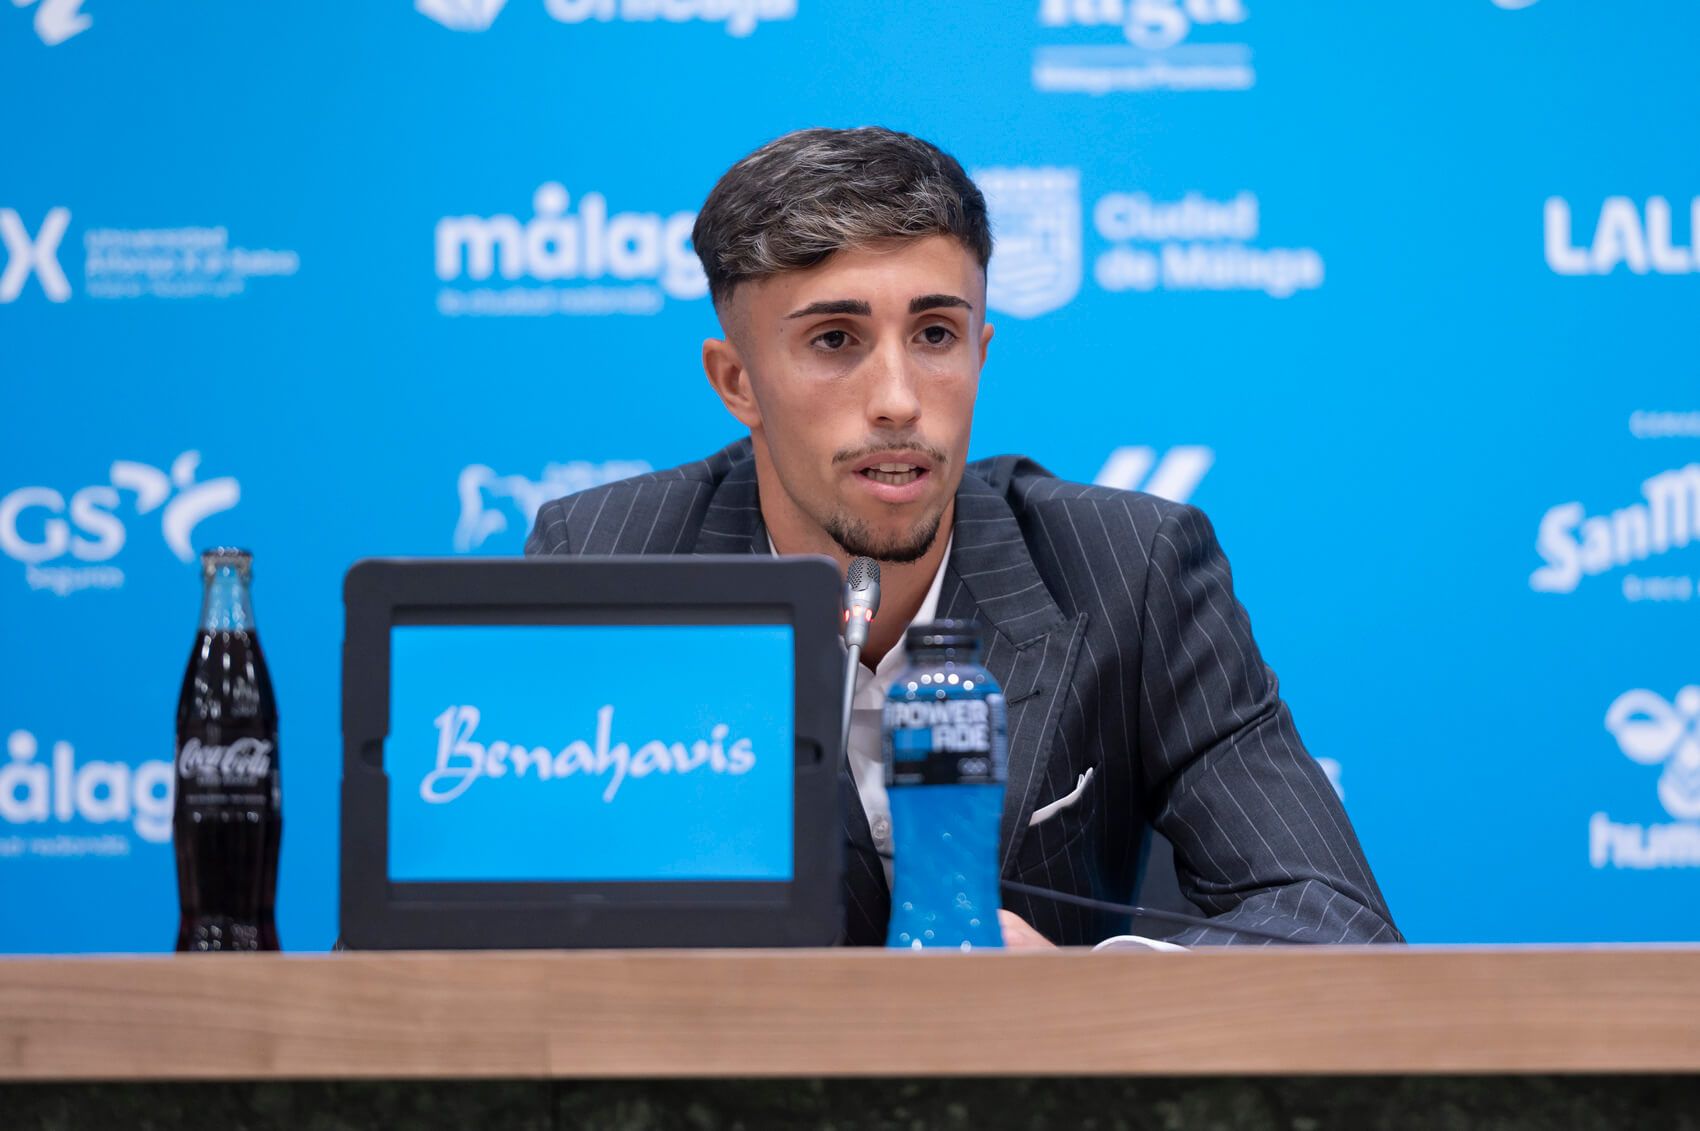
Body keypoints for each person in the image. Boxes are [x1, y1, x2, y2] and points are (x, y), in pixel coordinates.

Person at [526, 126, 1401, 948]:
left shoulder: (1130, 567)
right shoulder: (611, 564)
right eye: (835, 340)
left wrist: (1078, 986)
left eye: (936, 334)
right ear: (737, 381)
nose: (899, 399)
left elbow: (1333, 918)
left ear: (980, 351)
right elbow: (512, 926)